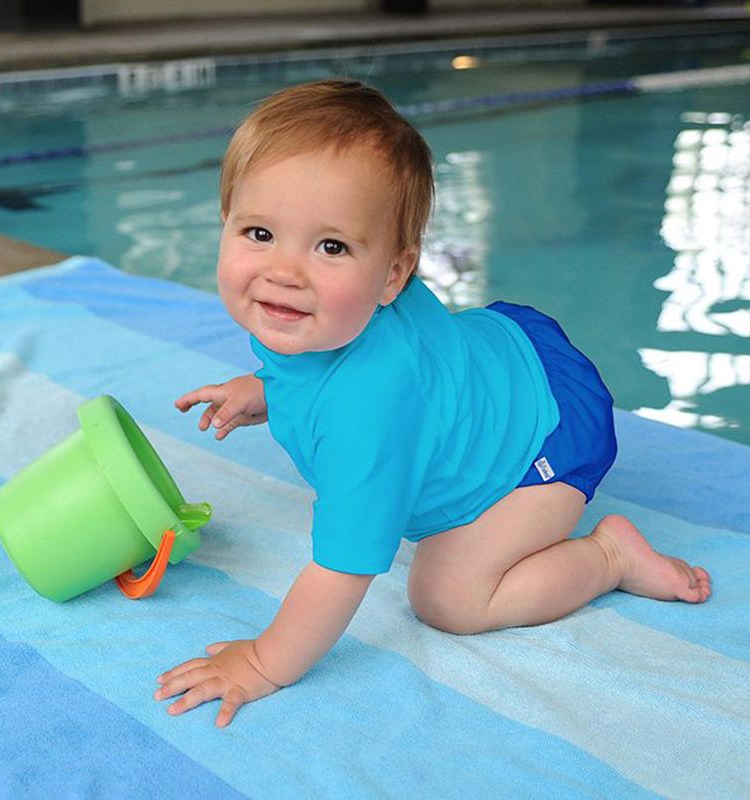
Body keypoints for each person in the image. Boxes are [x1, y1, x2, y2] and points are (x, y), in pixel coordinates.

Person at [154, 80, 711, 728]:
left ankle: (610, 556)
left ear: (394, 273)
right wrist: (264, 388)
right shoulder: (319, 313)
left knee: (449, 598)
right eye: (259, 232)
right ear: (225, 224)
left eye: (330, 246)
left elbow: (343, 570)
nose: (284, 270)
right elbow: (310, 367)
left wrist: (260, 663)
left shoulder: (368, 412)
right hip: (498, 360)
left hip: (544, 441)